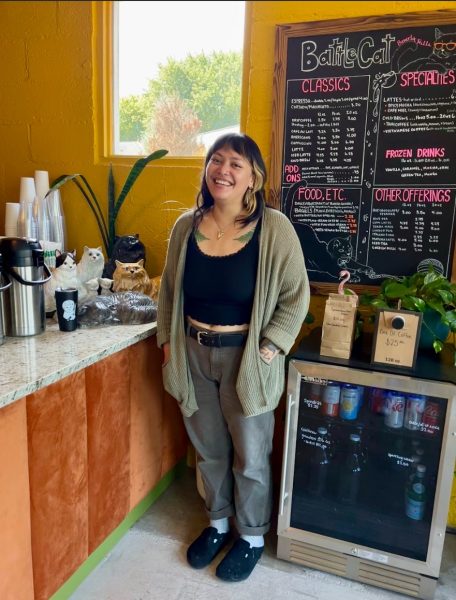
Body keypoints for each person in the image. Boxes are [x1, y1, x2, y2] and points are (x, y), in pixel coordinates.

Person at [157, 133, 309, 582]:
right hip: (193, 353)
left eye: (236, 164)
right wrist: (169, 345)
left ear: (253, 177)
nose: (223, 170)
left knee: (252, 454)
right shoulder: (186, 227)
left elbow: (295, 296)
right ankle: (219, 523)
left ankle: (252, 536)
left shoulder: (274, 228)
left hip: (248, 359)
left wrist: (272, 346)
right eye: (216, 160)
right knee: (209, 450)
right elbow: (167, 292)